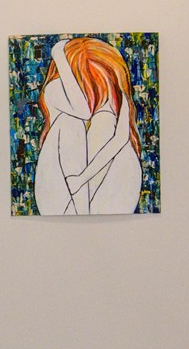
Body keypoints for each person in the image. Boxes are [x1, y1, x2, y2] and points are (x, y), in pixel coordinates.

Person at [32, 36, 142, 215]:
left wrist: (82, 179)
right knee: (71, 122)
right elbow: (82, 111)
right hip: (63, 196)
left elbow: (120, 138)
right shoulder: (55, 90)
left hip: (106, 195)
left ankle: (85, 211)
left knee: (104, 122)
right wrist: (60, 56)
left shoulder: (115, 102)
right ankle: (82, 211)